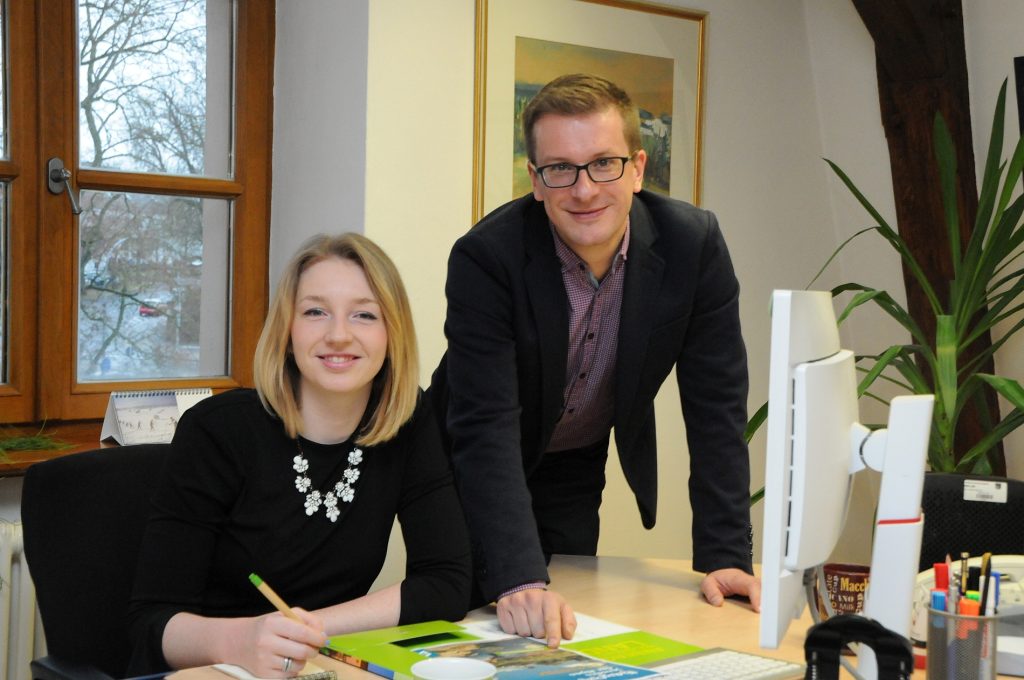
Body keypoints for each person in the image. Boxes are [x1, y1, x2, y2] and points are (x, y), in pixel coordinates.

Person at [429, 73, 758, 648]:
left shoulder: (692, 246)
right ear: (535, 179)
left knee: (568, 615)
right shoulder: (487, 257)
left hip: (576, 456)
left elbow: (717, 409)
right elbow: (484, 424)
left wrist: (726, 554)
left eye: (603, 163)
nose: (584, 190)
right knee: (486, 610)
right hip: (467, 459)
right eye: (561, 168)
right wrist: (519, 577)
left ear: (636, 167)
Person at [128, 233, 472, 677]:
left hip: (314, 663)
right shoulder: (218, 430)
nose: (339, 335)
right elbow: (150, 625)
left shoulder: (408, 422)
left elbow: (446, 582)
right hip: (215, 667)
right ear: (287, 331)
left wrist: (309, 629)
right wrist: (245, 640)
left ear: (392, 334)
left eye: (364, 315)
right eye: (315, 312)